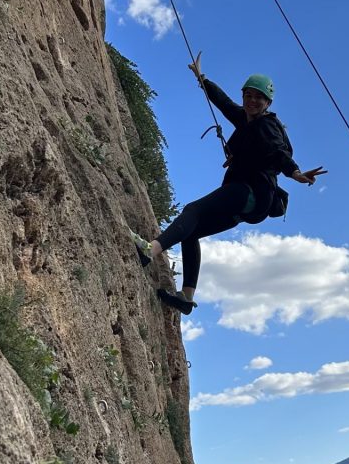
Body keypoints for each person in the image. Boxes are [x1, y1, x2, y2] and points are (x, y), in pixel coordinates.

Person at [131, 54, 326, 314]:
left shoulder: (267, 125)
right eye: (249, 95)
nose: (252, 101)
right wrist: (201, 78)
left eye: (259, 98)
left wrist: (296, 173)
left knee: (192, 210)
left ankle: (150, 249)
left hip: (250, 192)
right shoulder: (246, 119)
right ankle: (186, 298)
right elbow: (223, 103)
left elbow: (279, 153)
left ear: (268, 103)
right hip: (250, 204)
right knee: (193, 232)